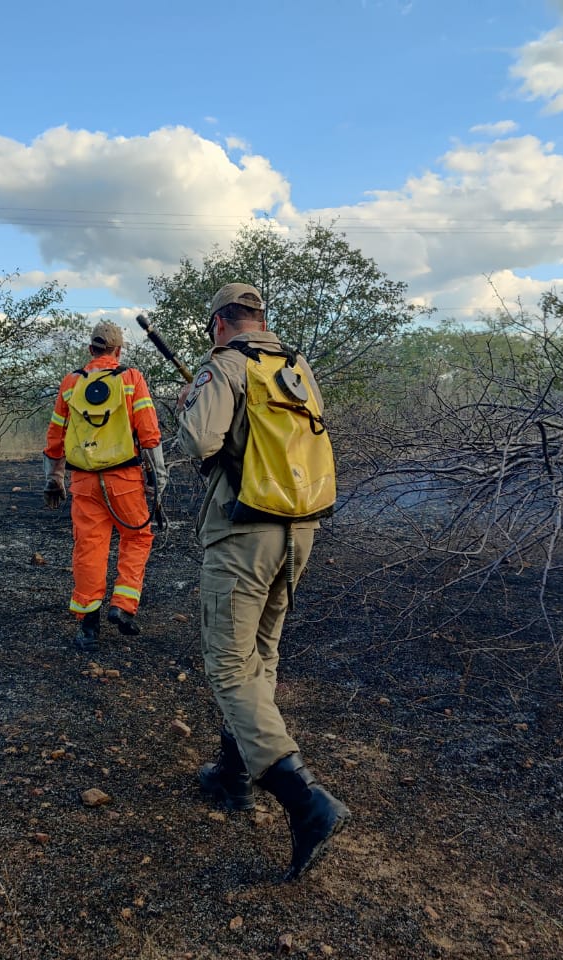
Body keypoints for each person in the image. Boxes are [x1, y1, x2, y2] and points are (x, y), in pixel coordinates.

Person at [176, 282, 349, 883]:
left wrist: (188, 407)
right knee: (261, 654)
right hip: (300, 529)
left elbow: (199, 441)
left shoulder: (224, 365)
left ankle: (304, 799)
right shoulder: (297, 364)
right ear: (261, 320)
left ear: (220, 323)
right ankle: (234, 773)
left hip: (244, 530)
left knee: (227, 665)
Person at [43, 320, 167, 652]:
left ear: (90, 350)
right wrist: (159, 476)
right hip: (124, 479)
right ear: (118, 350)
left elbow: (55, 435)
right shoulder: (130, 378)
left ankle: (88, 625)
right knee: (137, 537)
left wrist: (53, 478)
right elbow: (148, 431)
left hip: (83, 481)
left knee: (89, 547)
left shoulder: (70, 383)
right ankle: (123, 606)